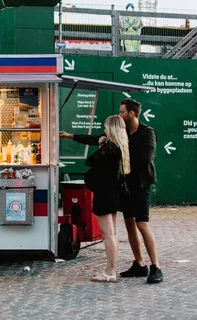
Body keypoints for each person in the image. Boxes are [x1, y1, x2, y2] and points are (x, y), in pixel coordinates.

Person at [60, 98, 163, 284]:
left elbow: (144, 159)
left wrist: (117, 149)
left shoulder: (147, 133)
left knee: (142, 224)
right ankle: (140, 264)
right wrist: (70, 136)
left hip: (140, 186)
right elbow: (97, 138)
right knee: (129, 223)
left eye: (122, 112)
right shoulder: (120, 133)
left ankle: (156, 266)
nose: (120, 114)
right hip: (124, 186)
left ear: (131, 113)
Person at [84, 115, 130, 283]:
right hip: (112, 192)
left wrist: (102, 143)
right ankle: (110, 269)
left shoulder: (110, 147)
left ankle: (110, 271)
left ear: (111, 129)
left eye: (106, 127)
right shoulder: (120, 146)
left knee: (107, 234)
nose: (104, 130)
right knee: (111, 233)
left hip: (104, 193)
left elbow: (90, 161)